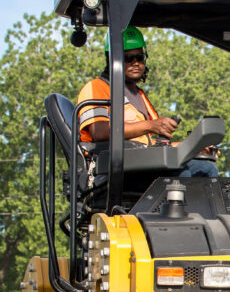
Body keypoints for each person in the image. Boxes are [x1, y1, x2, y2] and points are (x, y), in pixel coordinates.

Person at [76, 26, 218, 178]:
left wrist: (193, 147)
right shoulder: (96, 88)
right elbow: (100, 132)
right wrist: (152, 125)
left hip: (142, 161)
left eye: (140, 57)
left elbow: (152, 144)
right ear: (113, 59)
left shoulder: (139, 95)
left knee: (206, 168)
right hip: (113, 167)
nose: (136, 63)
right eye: (128, 58)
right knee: (181, 174)